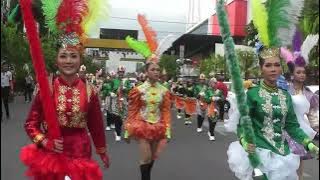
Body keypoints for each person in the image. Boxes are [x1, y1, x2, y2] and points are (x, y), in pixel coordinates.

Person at [214, 0, 319, 179]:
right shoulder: (252, 94)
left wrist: (308, 143)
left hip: (282, 156)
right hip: (258, 155)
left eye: (276, 65)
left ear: (281, 68)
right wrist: (244, 141)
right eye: (268, 65)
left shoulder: (285, 96)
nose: (273, 69)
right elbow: (242, 124)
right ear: (261, 69)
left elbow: (292, 126)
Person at [19, 0, 110, 179]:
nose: (68, 61)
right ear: (57, 60)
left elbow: (96, 125)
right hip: (51, 156)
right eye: (63, 56)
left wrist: (102, 151)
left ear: (80, 60)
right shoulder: (47, 88)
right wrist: (44, 141)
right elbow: (30, 124)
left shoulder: (90, 91)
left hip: (80, 155)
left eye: (73, 56)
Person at [124, 14, 172, 180]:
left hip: (157, 125)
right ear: (146, 72)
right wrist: (128, 127)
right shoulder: (138, 90)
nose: (156, 72)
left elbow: (166, 111)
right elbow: (132, 109)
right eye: (153, 70)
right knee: (145, 158)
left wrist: (168, 129)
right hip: (142, 125)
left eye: (158, 70)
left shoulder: (164, 91)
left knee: (152, 158)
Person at [280, 30, 319, 180]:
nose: (302, 74)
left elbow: (313, 116)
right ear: (292, 74)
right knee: (283, 164)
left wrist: (317, 130)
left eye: (304, 72)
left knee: (299, 166)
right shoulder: (283, 89)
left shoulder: (310, 94)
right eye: (298, 72)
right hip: (282, 130)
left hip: (300, 131)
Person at [109, 65, 132, 141]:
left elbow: (131, 89)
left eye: (122, 72)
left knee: (124, 117)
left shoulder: (127, 80)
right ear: (117, 72)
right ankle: (118, 133)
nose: (121, 73)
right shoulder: (114, 80)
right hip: (116, 100)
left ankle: (122, 130)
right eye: (120, 72)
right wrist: (111, 93)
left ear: (124, 72)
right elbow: (110, 89)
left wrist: (126, 88)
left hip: (124, 100)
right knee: (116, 117)